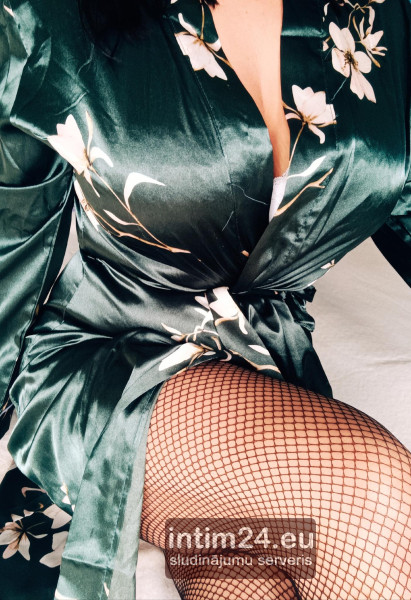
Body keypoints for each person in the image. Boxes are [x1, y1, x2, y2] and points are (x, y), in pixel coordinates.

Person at [0, 0, 410, 598]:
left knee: (243, 570)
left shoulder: (384, 17)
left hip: (268, 374)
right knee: (371, 496)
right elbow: (10, 244)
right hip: (113, 370)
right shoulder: (44, 16)